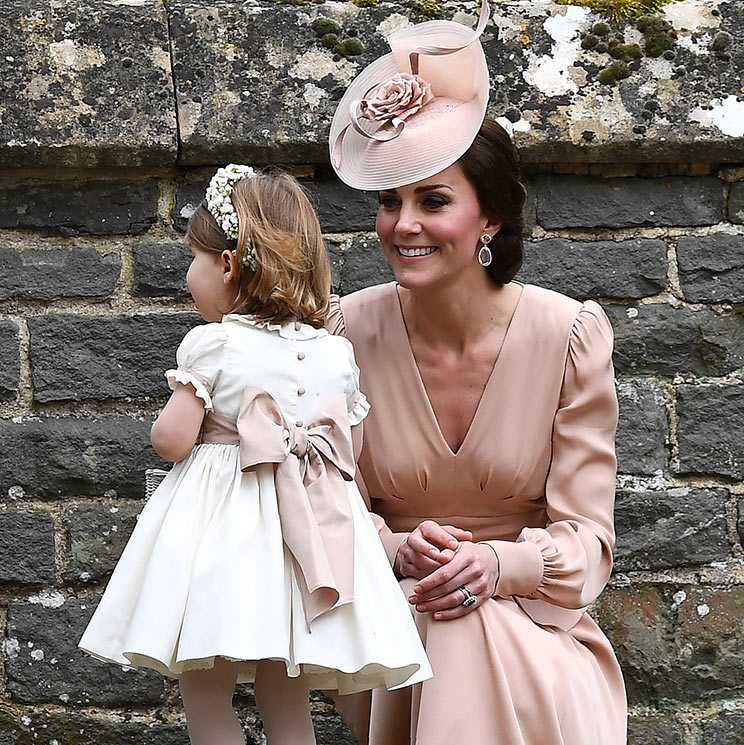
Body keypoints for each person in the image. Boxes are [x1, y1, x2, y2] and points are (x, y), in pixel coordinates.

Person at [326, 1, 627, 743]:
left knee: (466, 619)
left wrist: (498, 563)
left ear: (490, 216)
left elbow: (589, 542)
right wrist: (398, 548)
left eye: (433, 200)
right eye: (389, 202)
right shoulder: (342, 335)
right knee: (444, 614)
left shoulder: (569, 335)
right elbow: (321, 514)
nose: (404, 225)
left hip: (539, 634)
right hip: (393, 635)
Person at [78, 166, 432, 745]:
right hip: (303, 542)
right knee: (284, 683)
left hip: (225, 538)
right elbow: (350, 452)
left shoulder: (213, 343)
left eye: (195, 257)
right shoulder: (334, 353)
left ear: (227, 264)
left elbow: (171, 441)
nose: (189, 272)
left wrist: (186, 407)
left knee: (205, 680)